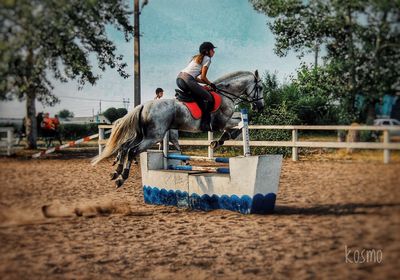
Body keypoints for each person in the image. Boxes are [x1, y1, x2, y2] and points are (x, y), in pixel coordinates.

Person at [176, 42, 217, 131]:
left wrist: (206, 83)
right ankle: (205, 124)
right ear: (207, 51)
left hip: (179, 79)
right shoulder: (207, 59)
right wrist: (211, 84)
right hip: (188, 80)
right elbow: (203, 77)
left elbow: (196, 78)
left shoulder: (195, 58)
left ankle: (194, 119)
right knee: (209, 98)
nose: (214, 52)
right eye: (212, 50)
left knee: (198, 97)